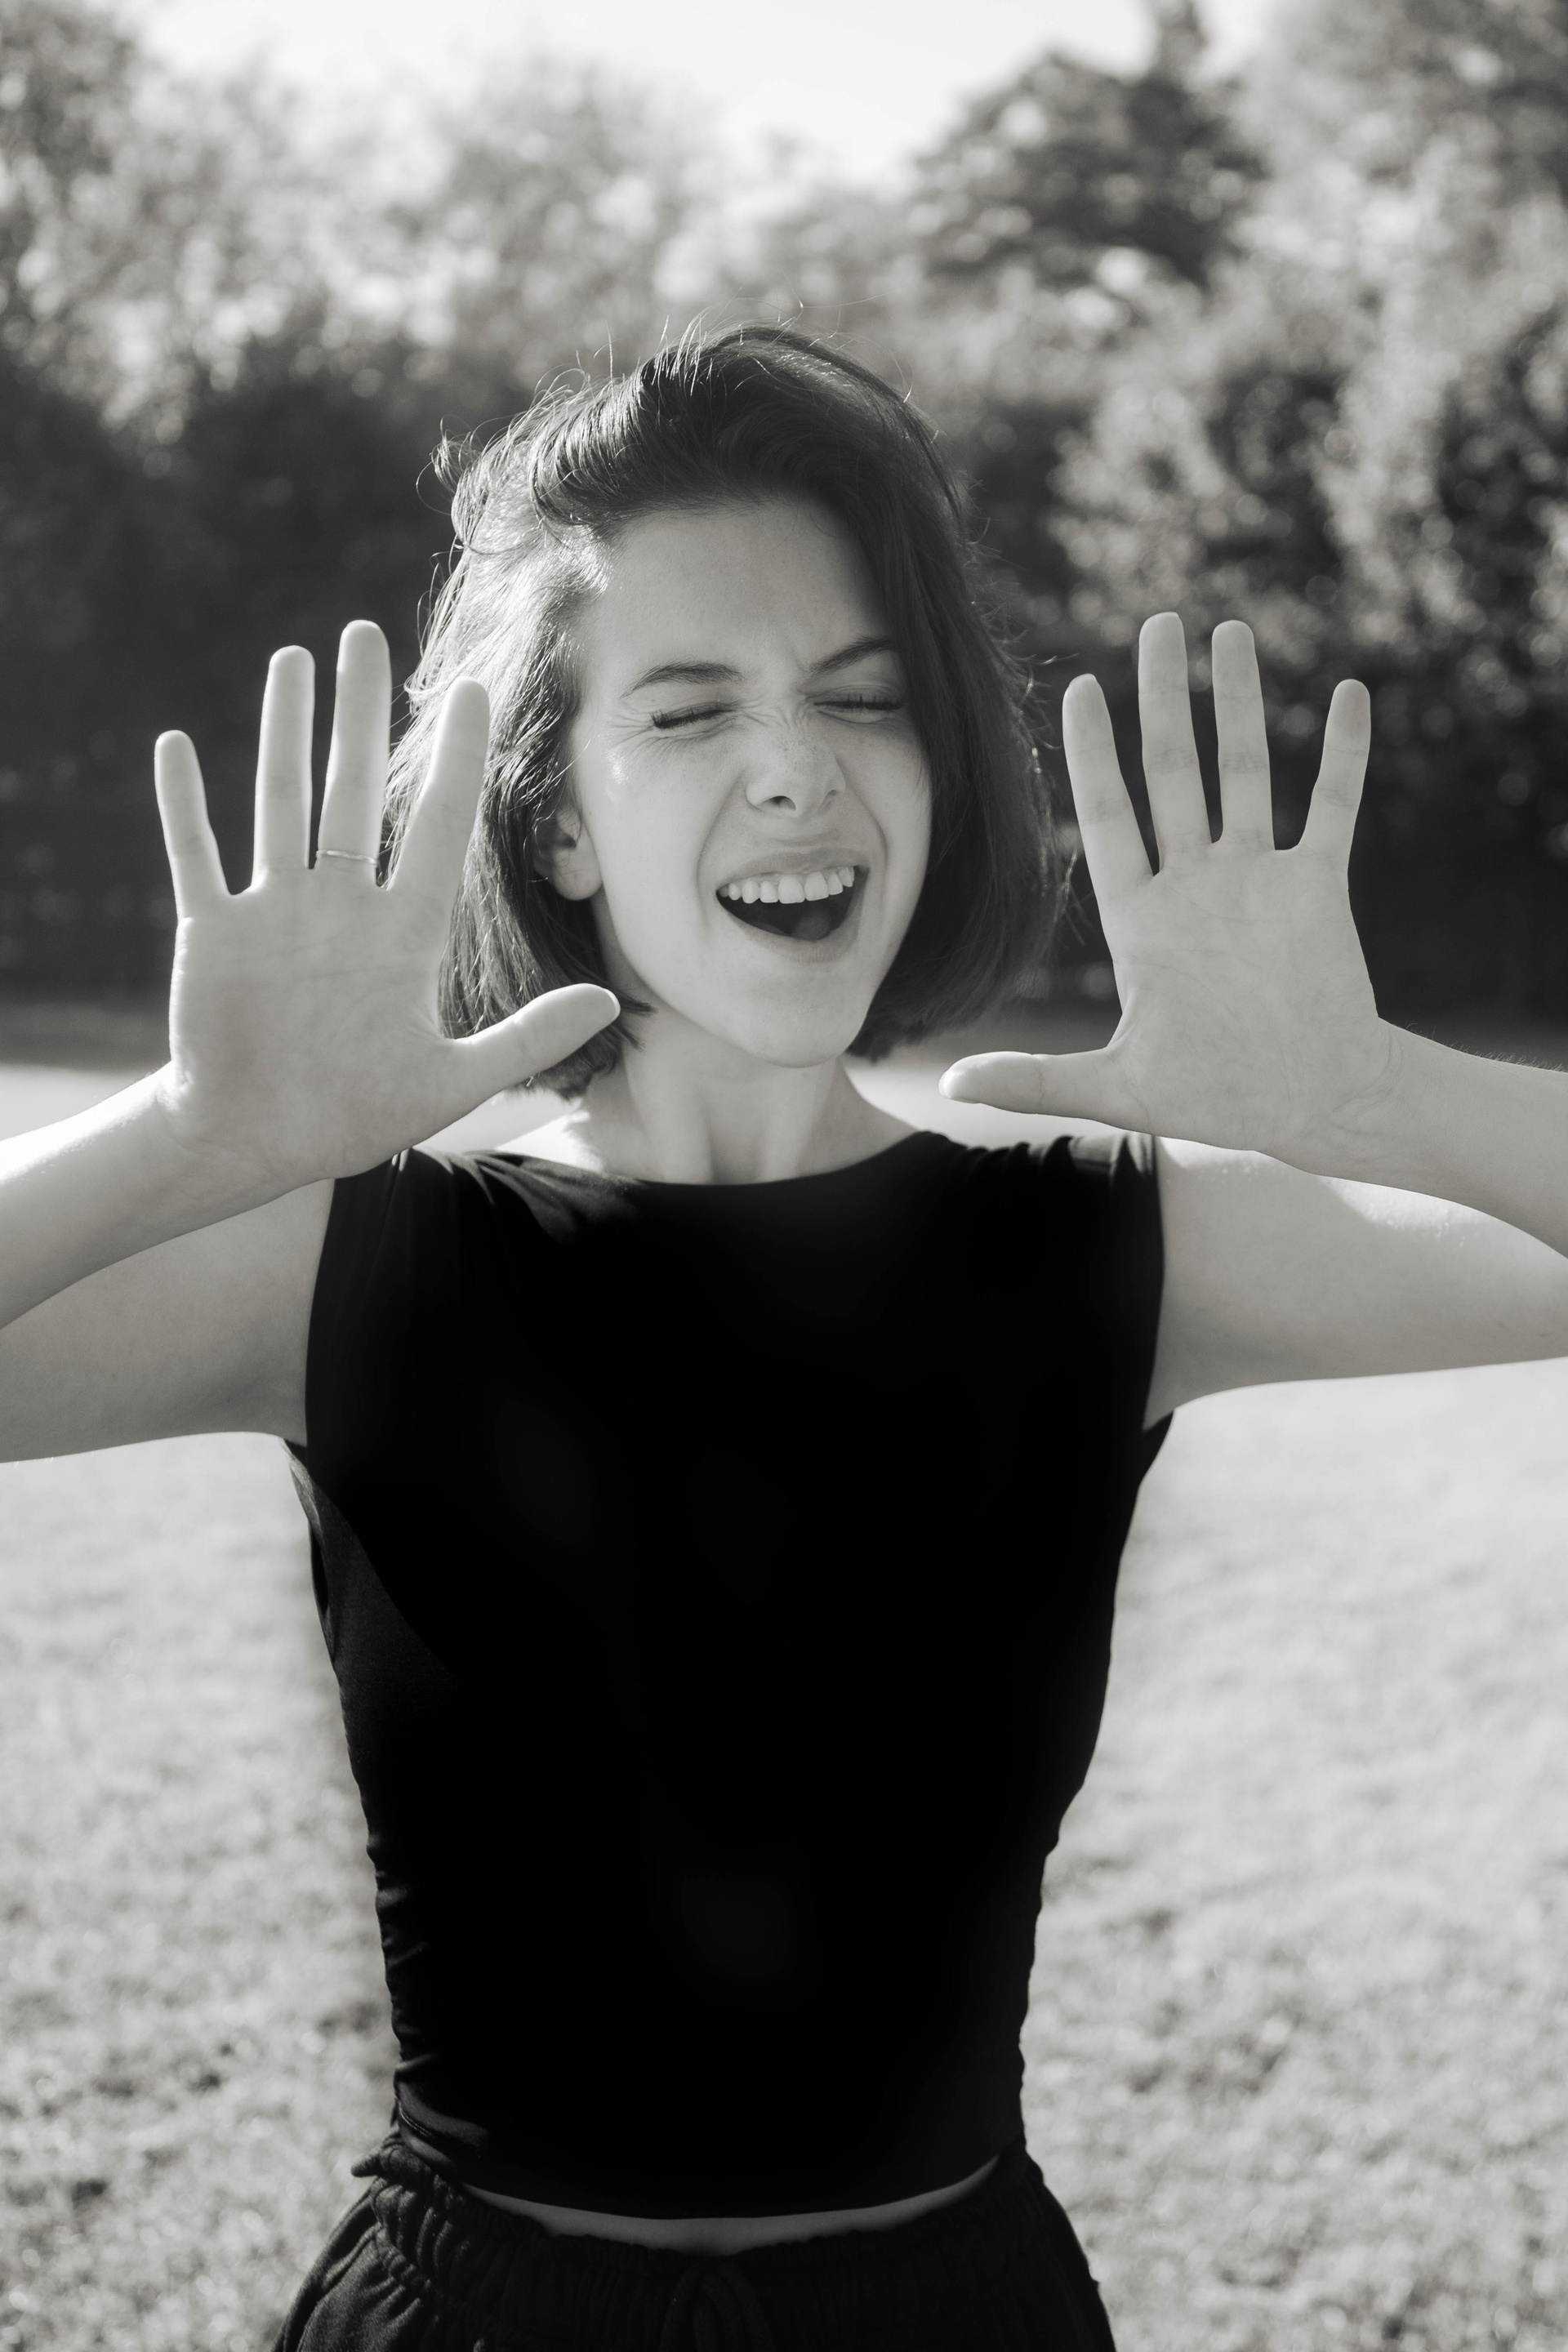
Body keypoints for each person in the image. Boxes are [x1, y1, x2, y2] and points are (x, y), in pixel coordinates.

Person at [2, 326, 1565, 2352]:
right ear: (554, 821)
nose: (797, 769)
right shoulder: (349, 1263)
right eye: (688, 709)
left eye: (863, 696)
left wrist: (1378, 1096)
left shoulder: (1105, 1248)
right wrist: (181, 1140)